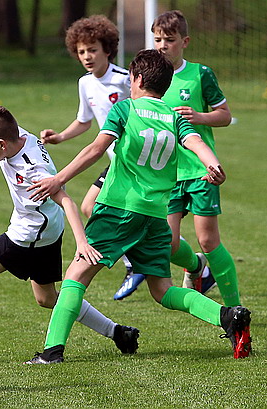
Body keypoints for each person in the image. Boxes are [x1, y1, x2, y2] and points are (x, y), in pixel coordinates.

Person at [24, 49, 251, 364]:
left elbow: (96, 149)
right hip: (156, 215)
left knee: (76, 276)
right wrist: (213, 165)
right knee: (163, 290)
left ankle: (51, 352)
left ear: (138, 79)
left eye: (131, 79)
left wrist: (58, 179)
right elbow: (196, 142)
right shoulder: (174, 117)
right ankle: (226, 315)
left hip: (118, 210)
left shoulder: (125, 109)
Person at [0, 105, 140, 364]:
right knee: (47, 298)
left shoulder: (32, 170)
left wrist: (81, 243)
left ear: (2, 145)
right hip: (48, 230)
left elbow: (67, 201)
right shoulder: (19, 136)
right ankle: (118, 332)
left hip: (29, 235)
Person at [38, 15, 142, 300]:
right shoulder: (85, 83)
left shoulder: (124, 80)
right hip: (115, 160)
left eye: (92, 49)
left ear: (107, 49)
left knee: (97, 207)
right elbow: (84, 121)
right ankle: (177, 263)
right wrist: (60, 136)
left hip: (132, 160)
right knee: (94, 207)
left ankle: (137, 262)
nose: (87, 56)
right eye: (81, 51)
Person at [152, 10, 240, 306]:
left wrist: (200, 116)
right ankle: (196, 266)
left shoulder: (200, 74)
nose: (162, 45)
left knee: (208, 240)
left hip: (200, 171)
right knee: (168, 243)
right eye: (157, 39)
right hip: (167, 174)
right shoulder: (151, 79)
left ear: (185, 41)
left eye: (169, 39)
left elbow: (224, 115)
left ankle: (234, 308)